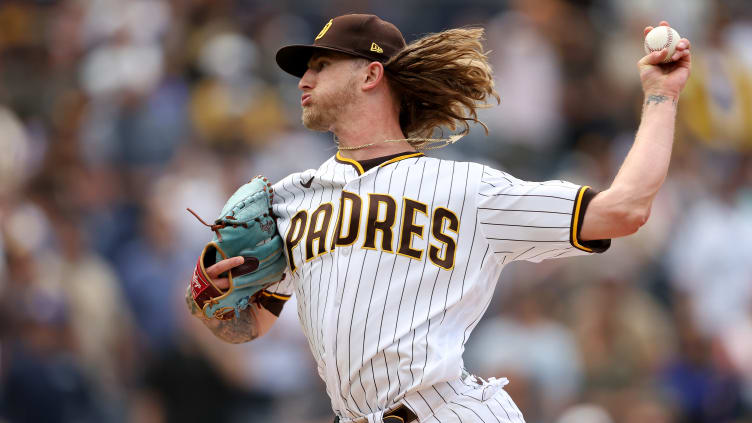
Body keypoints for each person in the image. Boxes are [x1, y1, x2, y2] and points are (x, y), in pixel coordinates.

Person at [186, 14, 692, 423]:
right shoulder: (289, 200)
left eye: (321, 64)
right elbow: (248, 326)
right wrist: (209, 300)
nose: (305, 79)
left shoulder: (469, 189)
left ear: (370, 73)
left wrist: (662, 96)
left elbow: (624, 210)